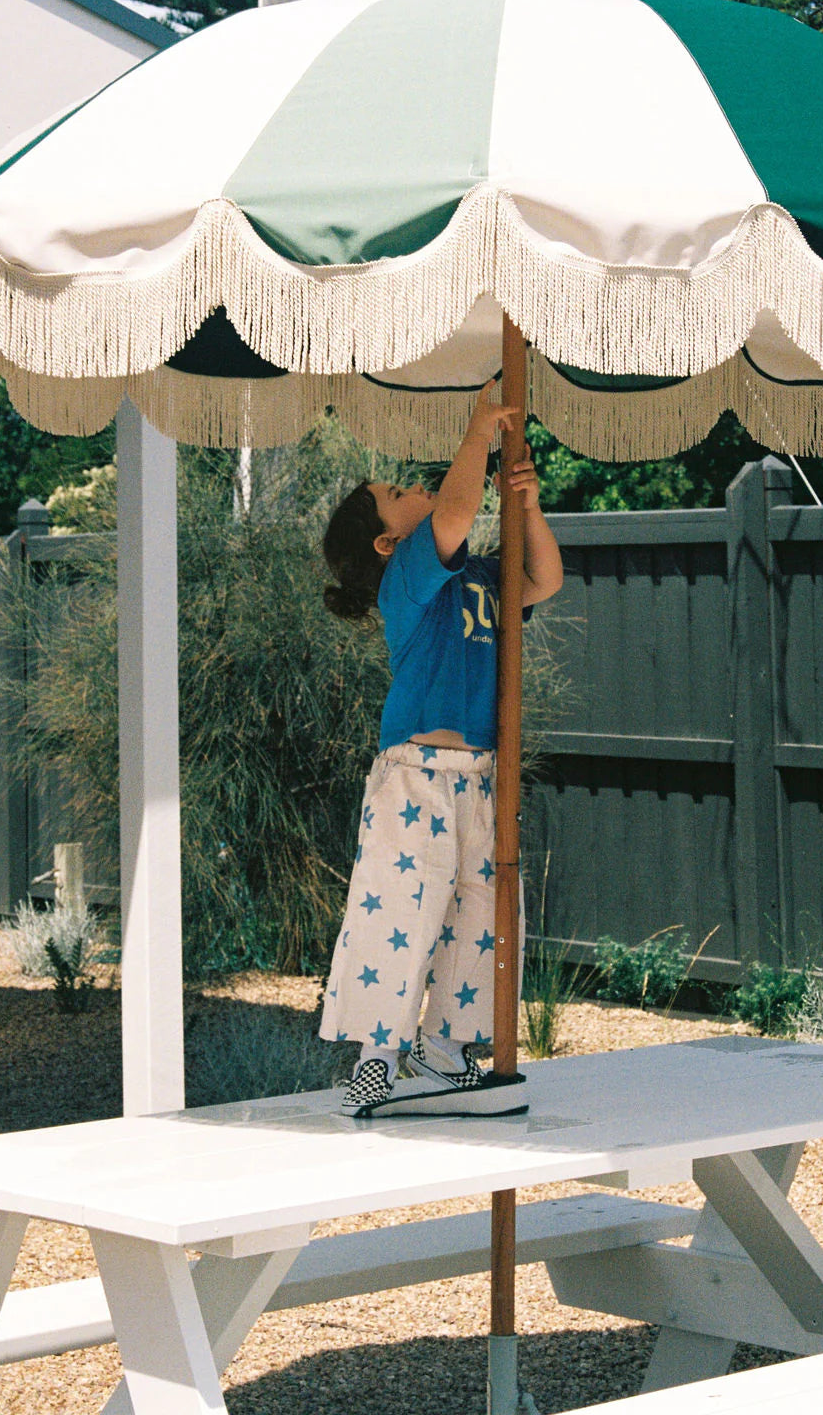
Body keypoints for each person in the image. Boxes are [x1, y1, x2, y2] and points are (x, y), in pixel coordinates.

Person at [320, 382, 564, 1115]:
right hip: (415, 776)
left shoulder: (481, 577)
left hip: (480, 776)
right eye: (397, 491)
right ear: (388, 542)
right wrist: (476, 434)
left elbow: (543, 578)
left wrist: (526, 505)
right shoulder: (408, 582)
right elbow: (455, 513)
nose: (413, 485)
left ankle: (445, 1046)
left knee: (480, 911)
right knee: (400, 905)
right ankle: (377, 1054)